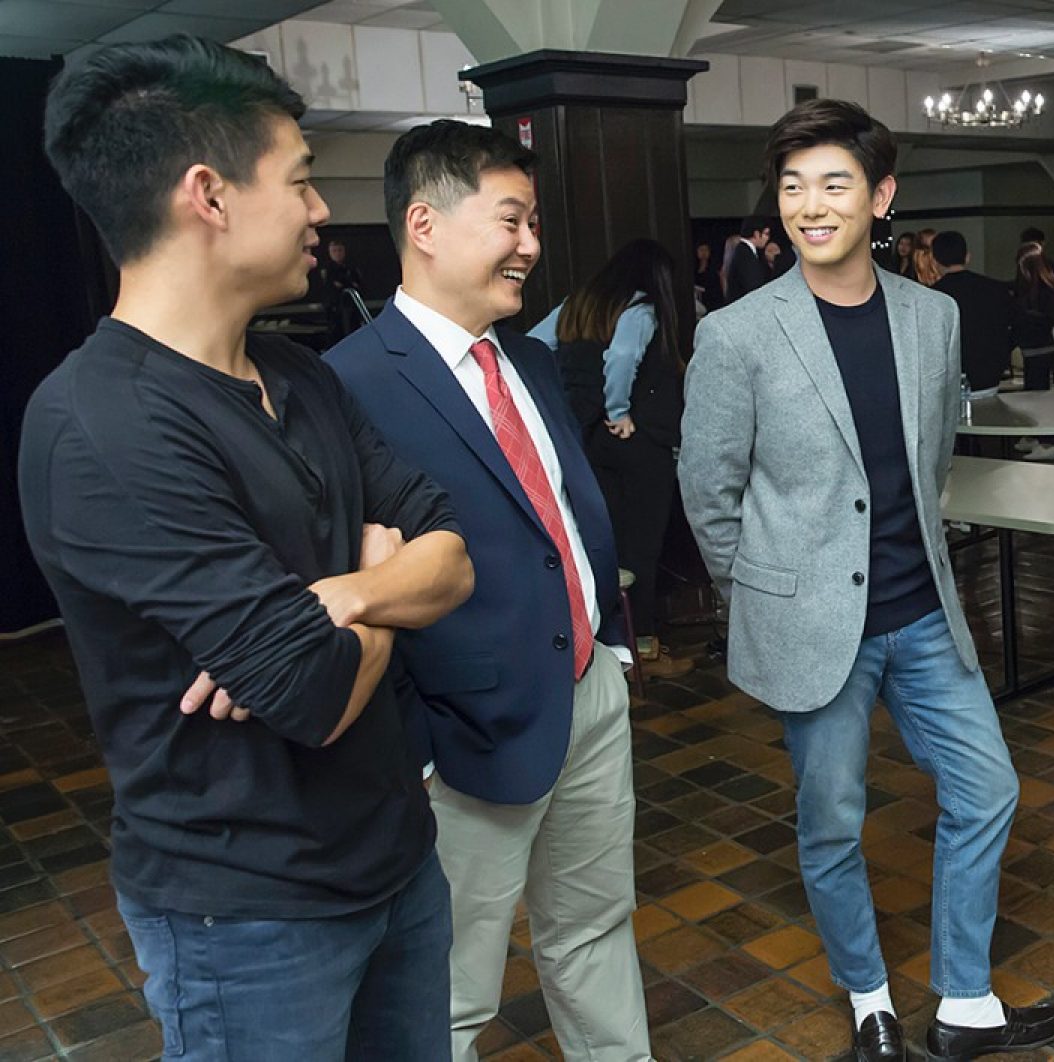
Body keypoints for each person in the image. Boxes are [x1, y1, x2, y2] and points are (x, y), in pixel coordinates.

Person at [22, 36, 473, 1058]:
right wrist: (377, 578)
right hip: (249, 917)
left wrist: (344, 600)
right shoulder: (104, 427)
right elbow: (310, 698)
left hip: (397, 859)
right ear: (208, 196)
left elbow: (454, 553)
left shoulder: (299, 373)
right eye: (302, 179)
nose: (321, 210)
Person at [679, 99, 1054, 1062]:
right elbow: (708, 491)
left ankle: (966, 1003)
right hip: (814, 627)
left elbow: (930, 457)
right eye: (794, 187)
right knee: (833, 821)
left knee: (987, 791)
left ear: (881, 196)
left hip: (925, 611)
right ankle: (870, 1002)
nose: (811, 206)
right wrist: (769, 595)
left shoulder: (931, 317)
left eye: (835, 184)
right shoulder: (739, 334)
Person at [325, 119, 652, 1062]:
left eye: (537, 221)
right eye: (513, 220)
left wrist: (610, 648)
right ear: (424, 224)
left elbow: (567, 519)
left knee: (595, 929)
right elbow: (361, 583)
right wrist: (417, 747)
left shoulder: (535, 363)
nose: (533, 246)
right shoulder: (348, 384)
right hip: (459, 740)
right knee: (449, 987)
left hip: (587, 698)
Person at [552, 237, 695, 680]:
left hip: (588, 441)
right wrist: (620, 410)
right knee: (643, 544)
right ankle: (645, 648)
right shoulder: (641, 310)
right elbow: (624, 356)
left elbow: (534, 344)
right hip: (633, 442)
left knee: (607, 542)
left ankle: (616, 644)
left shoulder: (579, 304)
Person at [929, 230, 1014, 396]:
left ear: (934, 260)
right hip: (990, 375)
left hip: (949, 378)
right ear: (967, 257)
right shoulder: (996, 289)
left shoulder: (931, 297)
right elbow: (1015, 325)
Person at [1008, 245, 1054, 458]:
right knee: (1032, 395)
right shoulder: (1038, 287)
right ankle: (1032, 436)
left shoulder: (1041, 290)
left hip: (1039, 346)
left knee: (1039, 398)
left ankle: (1047, 444)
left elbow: (1041, 317)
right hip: (1034, 346)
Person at [722, 215, 774, 301]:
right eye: (766, 234)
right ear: (756, 234)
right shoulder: (745, 254)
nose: (767, 238)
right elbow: (754, 286)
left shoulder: (744, 251)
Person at [693, 241, 720, 312]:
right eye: (701, 250)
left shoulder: (714, 270)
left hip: (711, 303)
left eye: (706, 250)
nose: (704, 253)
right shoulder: (692, 270)